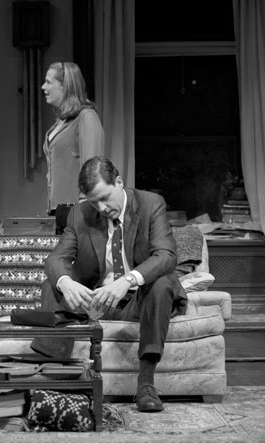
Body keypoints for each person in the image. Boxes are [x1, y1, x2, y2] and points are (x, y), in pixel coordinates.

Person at [31, 156, 187, 413]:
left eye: (105, 198)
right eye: (94, 202)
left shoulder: (150, 204)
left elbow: (166, 256)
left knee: (163, 282)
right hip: (95, 303)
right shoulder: (79, 214)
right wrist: (66, 281)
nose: (101, 208)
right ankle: (54, 376)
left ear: (119, 182)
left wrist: (127, 280)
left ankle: (146, 383)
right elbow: (56, 258)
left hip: (138, 300)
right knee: (52, 285)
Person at [41, 62, 104, 229]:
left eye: (48, 82)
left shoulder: (86, 117)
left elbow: (92, 170)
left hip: (78, 212)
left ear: (65, 86)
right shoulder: (60, 123)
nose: (43, 87)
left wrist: (84, 214)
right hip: (57, 211)